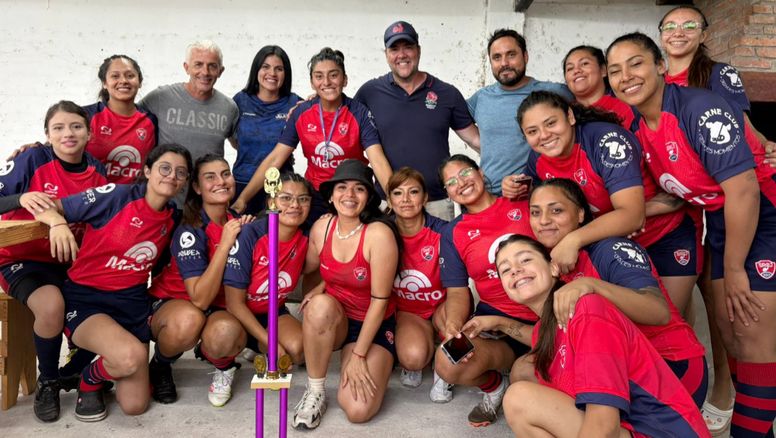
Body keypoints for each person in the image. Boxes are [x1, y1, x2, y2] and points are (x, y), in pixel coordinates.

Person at [607, 32, 776, 437]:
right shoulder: (638, 125)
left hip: (764, 211)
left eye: (636, 63)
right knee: (732, 333)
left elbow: (744, 190)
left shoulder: (699, 108)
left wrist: (734, 267)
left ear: (661, 66)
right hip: (721, 221)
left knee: (752, 336)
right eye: (615, 70)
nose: (626, 75)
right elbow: (671, 195)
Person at [32, 143, 192, 422]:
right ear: (147, 171)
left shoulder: (173, 218)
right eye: (164, 168)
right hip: (87, 300)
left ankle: (88, 372)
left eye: (180, 172)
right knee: (129, 358)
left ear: (185, 182)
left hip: (131, 305)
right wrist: (57, 224)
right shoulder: (116, 196)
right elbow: (50, 206)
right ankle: (86, 375)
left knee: (135, 405)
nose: (171, 176)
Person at [508, 91, 701, 321]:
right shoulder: (537, 159)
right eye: (532, 131)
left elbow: (632, 216)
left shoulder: (607, 141)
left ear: (569, 117)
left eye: (551, 123)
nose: (544, 135)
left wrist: (573, 239)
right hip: (610, 250)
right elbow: (539, 196)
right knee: (627, 330)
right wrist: (512, 186)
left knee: (665, 326)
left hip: (662, 238)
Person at [495, 235, 710, 437]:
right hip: (627, 430)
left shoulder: (587, 309)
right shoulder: (545, 331)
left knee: (519, 399)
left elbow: (603, 427)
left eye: (525, 259)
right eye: (505, 270)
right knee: (523, 390)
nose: (515, 271)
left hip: (659, 432)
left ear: (553, 268)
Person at [528, 178, 707, 407]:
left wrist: (592, 286)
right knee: (528, 372)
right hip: (622, 367)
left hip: (671, 368)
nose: (543, 220)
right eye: (535, 212)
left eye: (557, 210)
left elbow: (658, 312)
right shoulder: (556, 267)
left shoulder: (609, 249)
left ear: (581, 214)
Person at [0, 101, 107, 422]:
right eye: (58, 128)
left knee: (116, 305)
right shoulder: (32, 159)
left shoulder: (97, 171)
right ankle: (47, 380)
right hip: (23, 260)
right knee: (51, 306)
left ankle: (71, 372)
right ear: (47, 134)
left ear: (89, 133)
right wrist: (20, 198)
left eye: (75, 126)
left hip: (71, 262)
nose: (68, 133)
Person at [292, 159, 400, 430]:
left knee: (357, 410)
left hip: (372, 323)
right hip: (338, 319)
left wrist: (359, 356)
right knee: (317, 307)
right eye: (342, 187)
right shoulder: (322, 227)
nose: (349, 195)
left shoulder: (378, 234)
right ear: (330, 194)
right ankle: (315, 390)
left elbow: (380, 301)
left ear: (369, 197)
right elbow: (306, 267)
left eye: (359, 189)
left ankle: (373, 359)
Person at [233, 48, 392, 224]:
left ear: (344, 79)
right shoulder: (301, 112)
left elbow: (377, 159)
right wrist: (243, 199)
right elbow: (275, 158)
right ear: (312, 82)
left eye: (333, 75)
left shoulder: (359, 113)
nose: (326, 82)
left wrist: (393, 197)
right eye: (319, 76)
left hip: (352, 194)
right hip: (316, 195)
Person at [435, 154, 535, 427]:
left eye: (465, 173)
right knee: (447, 360)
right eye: (452, 182)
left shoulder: (520, 204)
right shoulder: (453, 232)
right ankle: (494, 387)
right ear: (448, 193)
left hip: (542, 314)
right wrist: (455, 325)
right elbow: (457, 291)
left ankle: (518, 371)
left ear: (480, 172)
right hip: (493, 320)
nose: (461, 183)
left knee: (525, 380)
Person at [147, 154, 250, 407]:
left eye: (225, 174)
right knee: (189, 320)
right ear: (196, 187)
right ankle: (160, 365)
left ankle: (223, 365)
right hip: (174, 303)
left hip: (217, 307)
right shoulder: (190, 229)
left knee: (226, 333)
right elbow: (199, 298)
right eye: (210, 177)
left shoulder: (236, 222)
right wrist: (226, 243)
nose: (221, 181)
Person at [354, 20, 480, 220]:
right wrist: (312, 102)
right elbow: (340, 117)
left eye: (408, 47)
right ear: (386, 54)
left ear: (418, 50)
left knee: (440, 252)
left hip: (436, 203)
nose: (402, 55)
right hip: (388, 203)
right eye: (394, 49)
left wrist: (505, 165)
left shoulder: (446, 93)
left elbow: (474, 140)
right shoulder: (370, 92)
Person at [224, 173, 312, 376]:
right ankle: (222, 358)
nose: (295, 205)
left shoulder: (307, 237)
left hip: (272, 312)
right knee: (222, 337)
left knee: (298, 352)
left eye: (303, 199)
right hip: (237, 313)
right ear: (272, 201)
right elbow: (233, 303)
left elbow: (332, 268)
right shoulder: (251, 233)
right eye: (286, 198)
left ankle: (255, 346)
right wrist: (272, 344)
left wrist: (317, 290)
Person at [468, 29, 572, 195]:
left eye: (511, 55)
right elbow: (454, 119)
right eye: (497, 57)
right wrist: (478, 143)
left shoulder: (553, 92)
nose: (504, 63)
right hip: (488, 196)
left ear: (525, 56)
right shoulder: (481, 98)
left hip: (533, 193)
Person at [384, 167, 451, 399]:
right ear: (389, 200)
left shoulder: (443, 231)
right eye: (398, 193)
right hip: (408, 311)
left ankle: (447, 371)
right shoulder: (382, 232)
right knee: (413, 358)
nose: (405, 200)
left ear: (424, 198)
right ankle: (423, 346)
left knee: (453, 321)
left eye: (413, 192)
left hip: (443, 305)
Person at [140, 40, 238, 164]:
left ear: (220, 71)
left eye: (212, 66)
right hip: (169, 181)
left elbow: (241, 146)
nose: (205, 72)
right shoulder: (160, 97)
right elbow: (129, 119)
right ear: (186, 68)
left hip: (208, 182)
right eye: (198, 64)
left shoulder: (229, 107)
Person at [230, 46, 302, 215]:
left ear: (286, 73)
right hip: (242, 183)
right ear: (256, 69)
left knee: (273, 239)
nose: (272, 73)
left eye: (279, 69)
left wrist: (315, 99)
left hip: (279, 188)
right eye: (265, 67)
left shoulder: (296, 104)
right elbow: (233, 138)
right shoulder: (240, 101)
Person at [84, 55, 158, 184]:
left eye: (130, 76)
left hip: (132, 201)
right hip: (93, 201)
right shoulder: (85, 116)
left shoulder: (150, 121)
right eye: (115, 76)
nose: (123, 81)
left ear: (140, 82)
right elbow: (55, 151)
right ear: (104, 83)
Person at [562, 45, 635, 129]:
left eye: (584, 63)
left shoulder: (626, 105)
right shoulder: (564, 114)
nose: (576, 71)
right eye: (570, 68)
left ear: (603, 70)